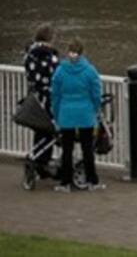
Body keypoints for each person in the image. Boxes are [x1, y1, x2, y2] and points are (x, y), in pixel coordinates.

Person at [50, 38, 104, 192]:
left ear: (68, 53)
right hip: (85, 113)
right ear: (82, 52)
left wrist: (57, 113)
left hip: (66, 113)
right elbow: (96, 93)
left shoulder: (60, 70)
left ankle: (65, 182)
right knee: (87, 148)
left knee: (67, 149)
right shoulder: (89, 70)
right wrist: (95, 108)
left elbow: (55, 95)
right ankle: (92, 181)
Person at [22, 24, 59, 176]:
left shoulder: (29, 55)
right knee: (49, 131)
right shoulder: (50, 57)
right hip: (47, 98)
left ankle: (37, 159)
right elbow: (56, 77)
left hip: (34, 97)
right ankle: (41, 162)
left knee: (39, 130)